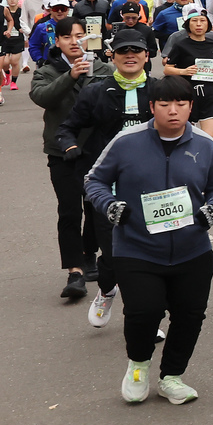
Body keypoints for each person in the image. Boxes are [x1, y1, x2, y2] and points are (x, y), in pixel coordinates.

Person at [84, 75, 213, 405]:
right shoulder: (126, 141)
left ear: (191, 107)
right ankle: (138, 367)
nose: (173, 111)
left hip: (192, 248)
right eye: (164, 104)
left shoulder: (204, 145)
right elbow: (94, 180)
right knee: (143, 313)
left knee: (190, 315)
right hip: (137, 248)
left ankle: (172, 377)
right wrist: (110, 205)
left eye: (181, 104)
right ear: (152, 107)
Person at [58, 30, 155, 327]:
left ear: (146, 56)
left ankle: (142, 317)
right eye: (123, 50)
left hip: (151, 185)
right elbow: (67, 128)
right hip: (108, 188)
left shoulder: (159, 91)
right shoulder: (96, 91)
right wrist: (71, 148)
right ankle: (107, 289)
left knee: (149, 255)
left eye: (136, 50)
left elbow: (182, 128)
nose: (130, 55)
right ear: (111, 56)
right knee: (114, 255)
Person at [31, 15, 114, 299]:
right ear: (58, 41)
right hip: (61, 152)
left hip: (99, 151)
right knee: (69, 210)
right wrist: (71, 76)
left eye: (80, 35)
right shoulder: (48, 70)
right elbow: (42, 97)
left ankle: (90, 253)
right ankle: (74, 271)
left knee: (95, 208)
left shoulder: (103, 68)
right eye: (67, 37)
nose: (74, 42)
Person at [163, 6, 213, 140]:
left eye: (202, 21)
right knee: (186, 137)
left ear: (208, 24)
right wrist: (184, 71)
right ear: (188, 25)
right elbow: (167, 69)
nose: (199, 24)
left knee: (209, 137)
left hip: (210, 94)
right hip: (187, 94)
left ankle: (205, 160)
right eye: (194, 21)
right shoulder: (181, 45)